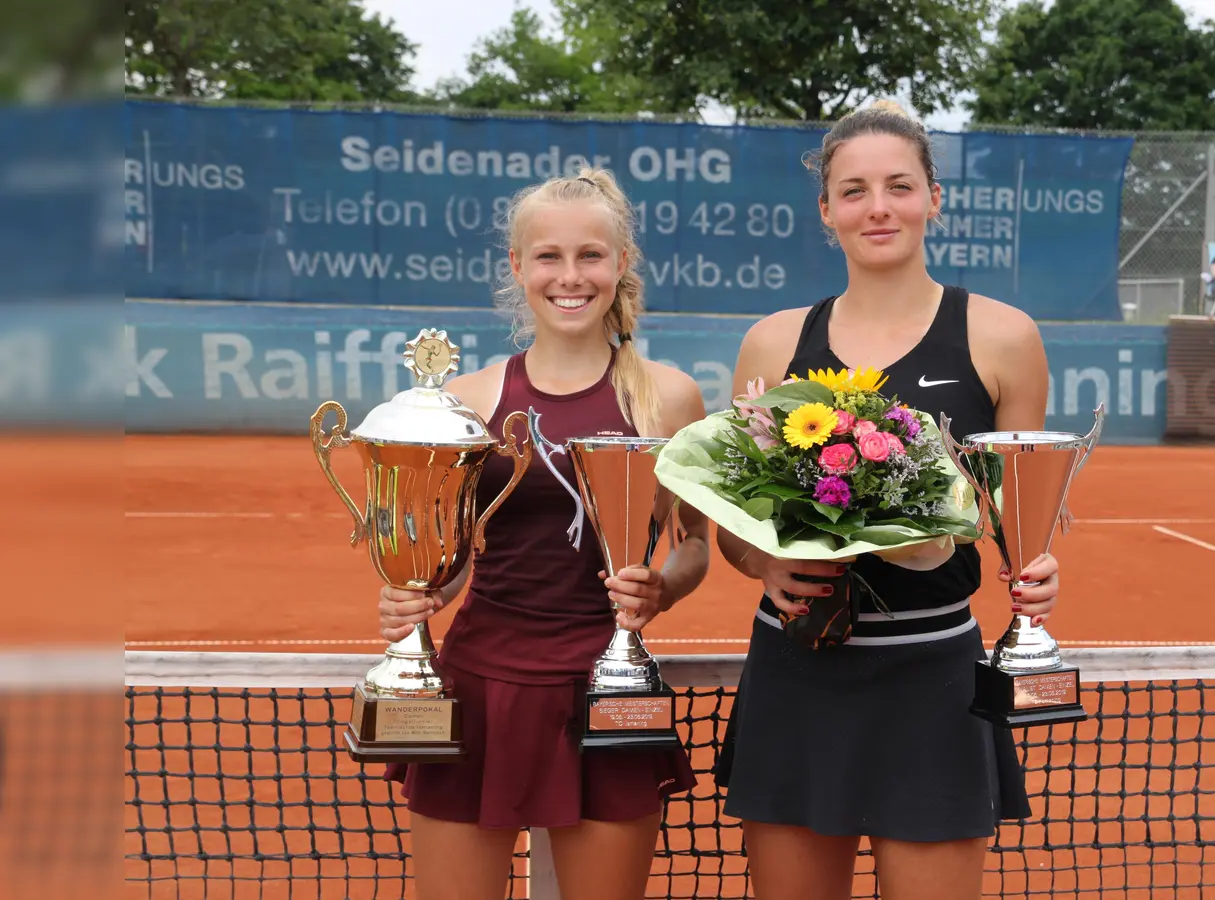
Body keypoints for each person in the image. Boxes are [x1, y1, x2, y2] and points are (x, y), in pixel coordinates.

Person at [709, 100, 1061, 900]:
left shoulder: (1002, 337)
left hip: (933, 675)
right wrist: (762, 563)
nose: (879, 208)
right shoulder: (773, 342)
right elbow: (730, 522)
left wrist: (1037, 573)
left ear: (935, 197)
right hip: (799, 667)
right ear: (825, 208)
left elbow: (1015, 519)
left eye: (899, 186)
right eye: (855, 190)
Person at [376, 169, 712, 900]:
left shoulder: (670, 397)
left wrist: (661, 590)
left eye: (591, 255)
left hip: (609, 689)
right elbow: (453, 558)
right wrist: (418, 594)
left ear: (622, 263)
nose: (570, 276)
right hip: (480, 685)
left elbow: (693, 546)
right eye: (548, 257)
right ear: (517, 267)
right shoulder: (466, 402)